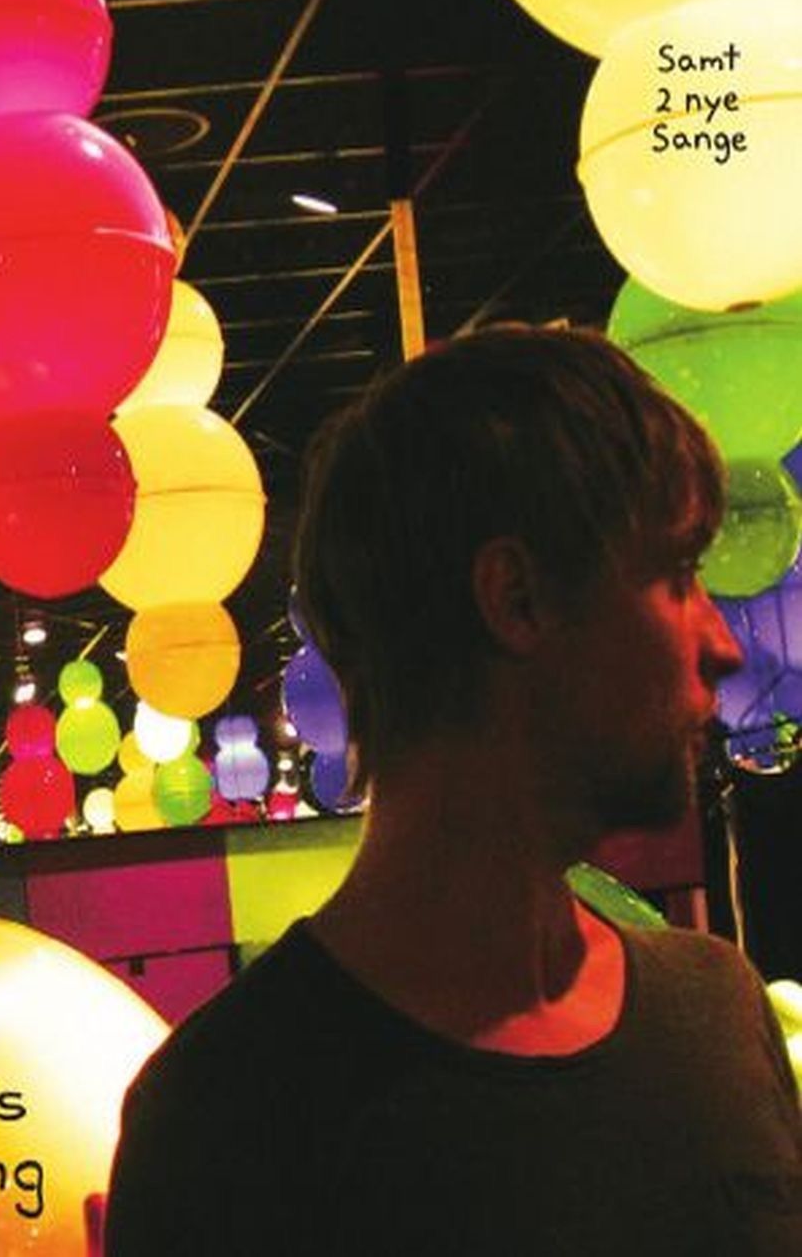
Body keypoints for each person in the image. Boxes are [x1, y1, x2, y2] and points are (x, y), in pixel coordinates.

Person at [104, 324, 802, 1255]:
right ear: (517, 598)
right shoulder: (225, 1124)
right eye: (676, 577)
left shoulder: (717, 1013)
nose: (722, 644)